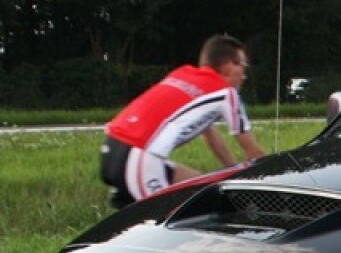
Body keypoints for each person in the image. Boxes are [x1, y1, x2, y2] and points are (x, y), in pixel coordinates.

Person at [100, 34, 266, 206]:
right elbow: (253, 153)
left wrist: (232, 171)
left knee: (208, 193)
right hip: (140, 157)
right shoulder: (227, 94)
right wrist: (270, 177)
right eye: (243, 66)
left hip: (112, 148)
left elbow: (210, 135)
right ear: (228, 66)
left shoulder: (183, 74)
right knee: (169, 225)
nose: (244, 75)